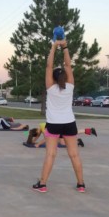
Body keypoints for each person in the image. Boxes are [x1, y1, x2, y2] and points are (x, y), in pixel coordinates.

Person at [32, 38, 85, 193]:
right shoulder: (70, 86)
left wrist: (54, 46)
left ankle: (42, 185)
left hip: (54, 124)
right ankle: (81, 185)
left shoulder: (50, 88)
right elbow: (68, 65)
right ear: (64, 77)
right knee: (74, 155)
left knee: (51, 154)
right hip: (69, 124)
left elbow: (49, 65)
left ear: (54, 78)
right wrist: (65, 46)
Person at [26, 122, 97, 148]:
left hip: (59, 130)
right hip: (58, 130)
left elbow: (47, 138)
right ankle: (78, 141)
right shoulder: (40, 127)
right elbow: (37, 137)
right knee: (65, 141)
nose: (37, 136)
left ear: (36, 132)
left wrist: (38, 145)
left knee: (72, 134)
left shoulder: (43, 129)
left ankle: (89, 131)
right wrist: (33, 141)